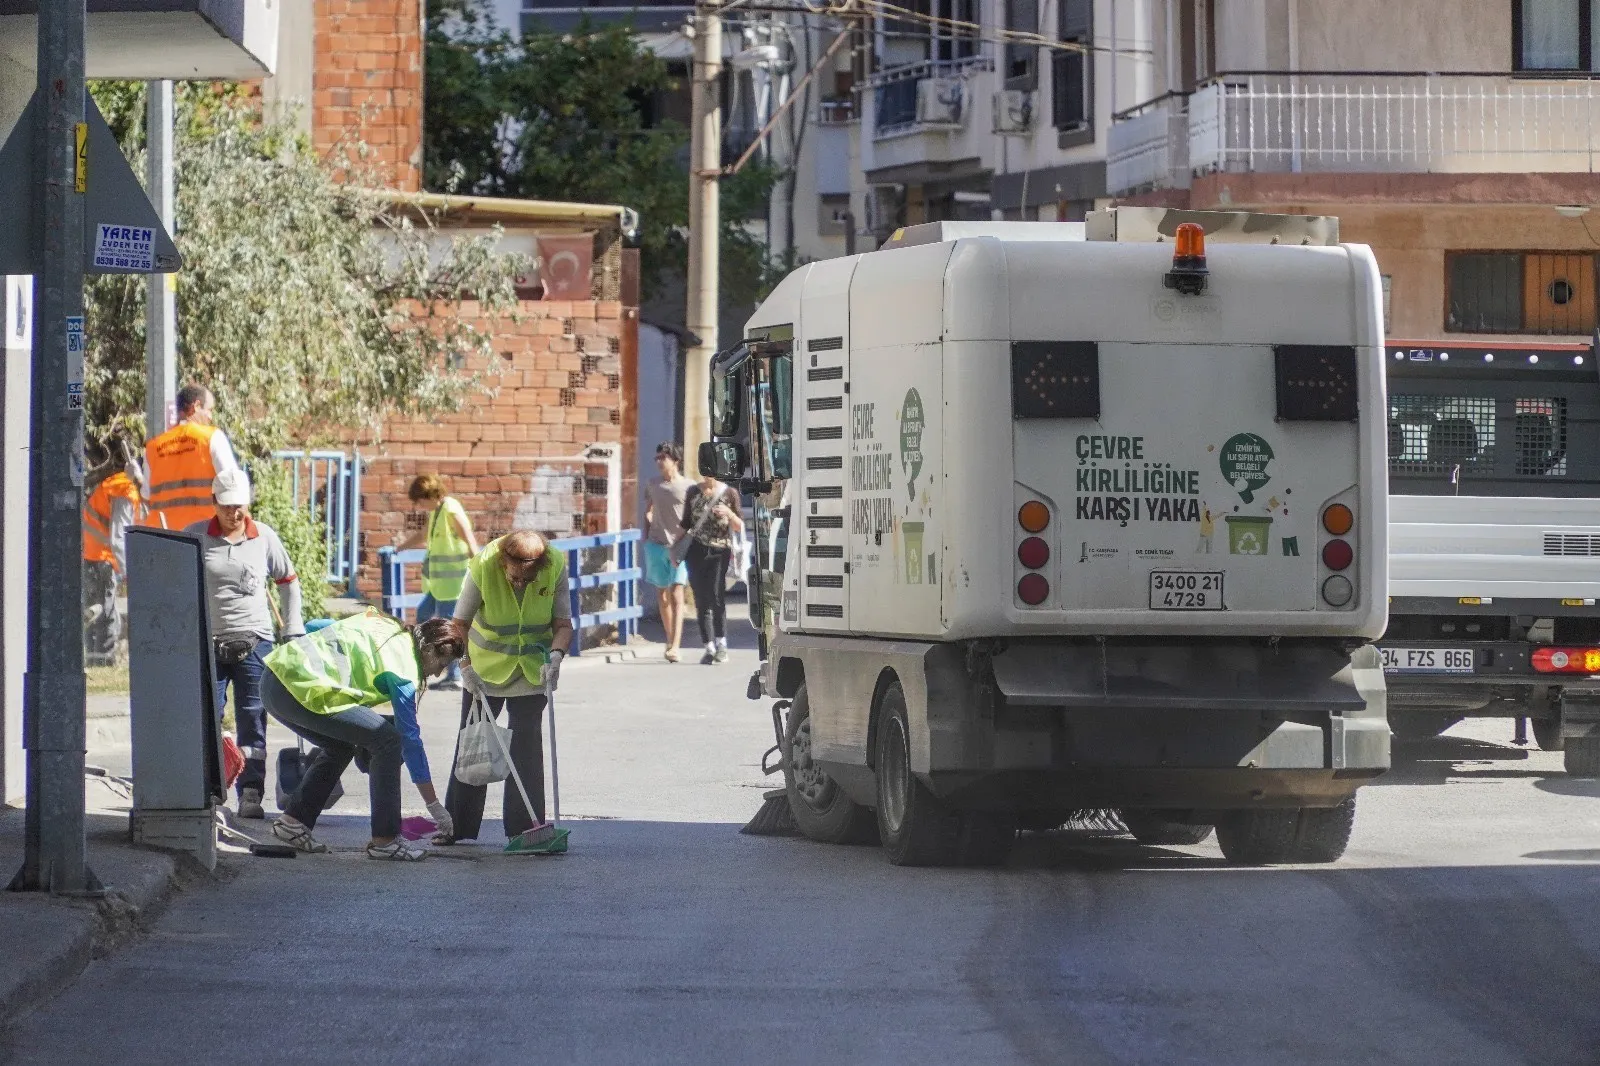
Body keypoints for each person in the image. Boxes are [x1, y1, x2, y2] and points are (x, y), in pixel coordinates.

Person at [264, 611, 466, 861]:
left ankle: (292, 823)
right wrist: (434, 805)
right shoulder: (404, 671)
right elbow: (410, 741)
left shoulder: (385, 624)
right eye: (442, 665)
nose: (437, 674)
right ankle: (386, 840)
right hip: (294, 690)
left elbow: (316, 625)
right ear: (429, 650)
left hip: (274, 680)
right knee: (389, 741)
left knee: (342, 744)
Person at [437, 529, 573, 846]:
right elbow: (459, 625)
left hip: (531, 669)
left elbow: (563, 625)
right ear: (504, 561)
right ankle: (455, 826)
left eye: (529, 579)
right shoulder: (482, 566)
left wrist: (556, 656)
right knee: (473, 744)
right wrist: (465, 667)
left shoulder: (554, 565)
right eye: (515, 576)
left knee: (526, 749)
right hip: (483, 670)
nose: (521, 583)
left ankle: (526, 830)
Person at [186, 468, 305, 820]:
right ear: (214, 504)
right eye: (226, 506)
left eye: (239, 506)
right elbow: (176, 581)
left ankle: (251, 792)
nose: (233, 514)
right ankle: (212, 786)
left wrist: (293, 628)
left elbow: (289, 581)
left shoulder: (263, 537)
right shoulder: (195, 536)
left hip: (255, 643)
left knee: (253, 720)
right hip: (210, 642)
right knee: (209, 716)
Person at [394, 473, 477, 689]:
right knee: (423, 616)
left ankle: (456, 674)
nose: (419, 505)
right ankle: (423, 665)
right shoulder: (436, 513)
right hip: (439, 585)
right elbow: (422, 536)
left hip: (453, 583)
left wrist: (479, 569)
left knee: (449, 629)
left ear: (429, 495)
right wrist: (400, 548)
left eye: (420, 500)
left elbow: (468, 538)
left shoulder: (450, 509)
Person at [145, 383, 240, 531]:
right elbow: (234, 487)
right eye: (209, 410)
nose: (211, 416)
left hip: (162, 537)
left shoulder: (153, 447)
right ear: (196, 406)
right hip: (204, 535)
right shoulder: (212, 438)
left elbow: (146, 493)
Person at [680, 467, 745, 665]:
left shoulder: (729, 493)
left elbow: (739, 525)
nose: (708, 474)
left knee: (716, 596)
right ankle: (708, 646)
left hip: (720, 551)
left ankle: (722, 644)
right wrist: (674, 548)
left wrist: (729, 513)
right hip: (696, 551)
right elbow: (685, 523)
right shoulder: (693, 492)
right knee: (701, 598)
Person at [80, 461, 143, 667]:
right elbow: (118, 538)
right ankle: (104, 662)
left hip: (91, 554)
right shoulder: (125, 491)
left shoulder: (116, 483)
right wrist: (127, 574)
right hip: (103, 558)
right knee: (107, 616)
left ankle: (93, 660)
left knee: (96, 611)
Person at [642, 443, 694, 662]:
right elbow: (648, 510)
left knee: (677, 593)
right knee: (662, 595)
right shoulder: (653, 484)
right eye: (657, 457)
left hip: (679, 545)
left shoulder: (689, 486)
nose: (659, 461)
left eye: (663, 457)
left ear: (675, 461)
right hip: (656, 544)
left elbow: (693, 516)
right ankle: (669, 637)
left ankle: (675, 645)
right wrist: (646, 536)